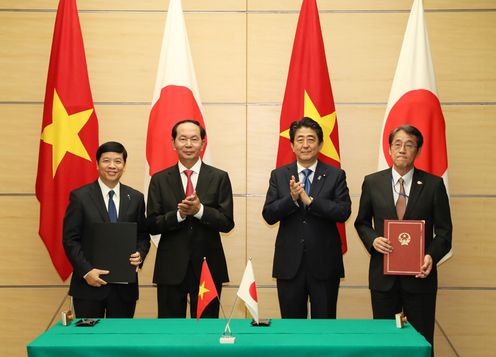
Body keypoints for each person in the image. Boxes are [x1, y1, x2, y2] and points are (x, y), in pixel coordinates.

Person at [354, 124, 452, 350]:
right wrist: (373, 240)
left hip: (420, 278)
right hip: (383, 278)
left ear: (417, 151)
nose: (402, 149)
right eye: (397, 144)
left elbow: (445, 232)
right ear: (389, 149)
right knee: (384, 343)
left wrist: (430, 256)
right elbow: (361, 222)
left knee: (421, 342)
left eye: (409, 145)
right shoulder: (372, 182)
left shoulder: (433, 184)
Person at [262, 117, 351, 319]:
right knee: (292, 330)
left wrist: (310, 201)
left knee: (324, 328)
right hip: (289, 265)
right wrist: (292, 199)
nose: (305, 145)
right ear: (292, 145)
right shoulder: (279, 175)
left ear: (320, 144)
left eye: (311, 139)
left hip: (325, 264)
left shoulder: (336, 174)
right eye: (299, 139)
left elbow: (343, 211)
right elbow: (268, 214)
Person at [147, 119, 234, 318]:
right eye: (183, 139)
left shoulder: (219, 177)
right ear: (173, 143)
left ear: (203, 143)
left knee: (206, 331)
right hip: (170, 267)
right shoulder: (159, 179)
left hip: (207, 268)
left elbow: (227, 223)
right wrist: (179, 215)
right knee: (170, 332)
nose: (188, 144)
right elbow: (152, 224)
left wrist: (200, 210)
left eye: (194, 139)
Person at [63, 141, 150, 318]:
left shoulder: (135, 198)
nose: (112, 166)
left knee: (119, 343)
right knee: (88, 342)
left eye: (118, 161)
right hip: (88, 286)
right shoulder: (80, 197)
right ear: (97, 164)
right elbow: (70, 239)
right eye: (106, 161)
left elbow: (143, 236)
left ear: (124, 166)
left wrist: (140, 254)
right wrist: (87, 271)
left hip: (124, 290)